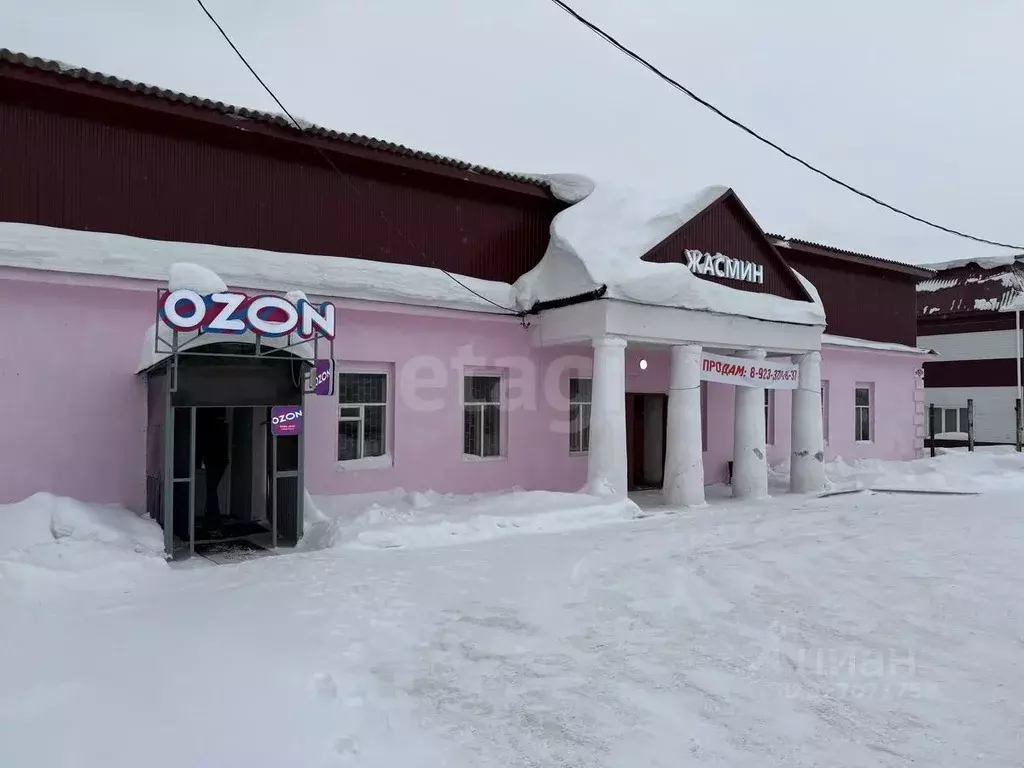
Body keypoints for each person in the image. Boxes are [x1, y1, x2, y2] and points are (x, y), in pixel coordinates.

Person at [196, 409, 230, 525]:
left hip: (213, 460)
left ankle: (213, 516)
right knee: (212, 488)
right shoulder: (222, 426)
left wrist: (198, 461)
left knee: (211, 488)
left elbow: (203, 444)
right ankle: (212, 514)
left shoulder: (207, 428)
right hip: (220, 460)